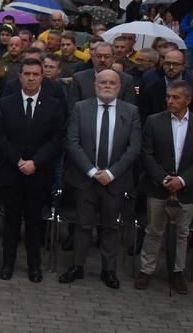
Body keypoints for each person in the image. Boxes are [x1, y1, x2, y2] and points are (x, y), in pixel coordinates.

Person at [59, 69, 142, 290]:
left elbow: (134, 148)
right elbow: (72, 142)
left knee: (110, 227)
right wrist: (91, 171)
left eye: (112, 83)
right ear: (95, 85)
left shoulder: (131, 111)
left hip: (115, 181)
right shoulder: (80, 108)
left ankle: (109, 270)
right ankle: (77, 266)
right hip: (85, 179)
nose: (107, 86)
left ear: (119, 87)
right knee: (83, 224)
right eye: (103, 82)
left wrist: (111, 173)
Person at [0, 58, 65, 282]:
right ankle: (7, 264)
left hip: (39, 174)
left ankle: (34, 266)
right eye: (27, 74)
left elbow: (57, 139)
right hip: (12, 172)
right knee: (11, 221)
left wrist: (35, 162)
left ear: (42, 77)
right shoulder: (7, 103)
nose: (31, 78)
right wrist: (18, 161)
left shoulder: (54, 104)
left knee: (35, 222)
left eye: (35, 74)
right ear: (20, 76)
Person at [134, 80, 193, 295]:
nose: (170, 101)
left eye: (176, 97)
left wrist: (183, 180)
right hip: (159, 187)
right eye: (168, 97)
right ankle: (147, 269)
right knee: (153, 230)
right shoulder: (154, 121)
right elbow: (147, 154)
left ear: (188, 100)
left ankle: (177, 271)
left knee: (182, 233)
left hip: (186, 189)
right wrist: (164, 178)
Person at [69, 42, 137, 108]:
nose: (102, 60)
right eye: (99, 56)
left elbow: (129, 110)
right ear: (93, 58)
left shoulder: (126, 80)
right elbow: (73, 109)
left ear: (114, 59)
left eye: (107, 57)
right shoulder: (79, 79)